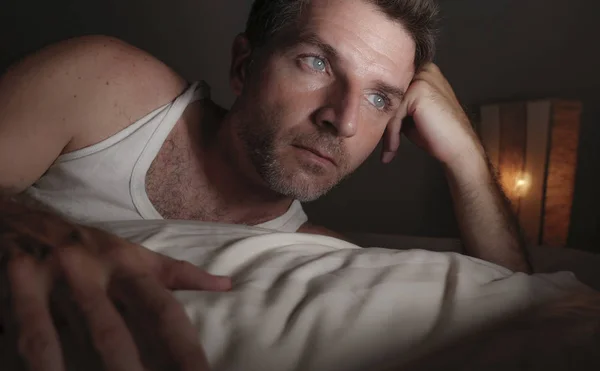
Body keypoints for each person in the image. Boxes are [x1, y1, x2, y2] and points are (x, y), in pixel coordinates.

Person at [0, 0, 533, 369]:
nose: (343, 120)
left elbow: (522, 315)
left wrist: (465, 153)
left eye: (380, 99)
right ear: (243, 65)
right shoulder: (101, 85)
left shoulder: (315, 256)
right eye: (317, 61)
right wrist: (29, 226)